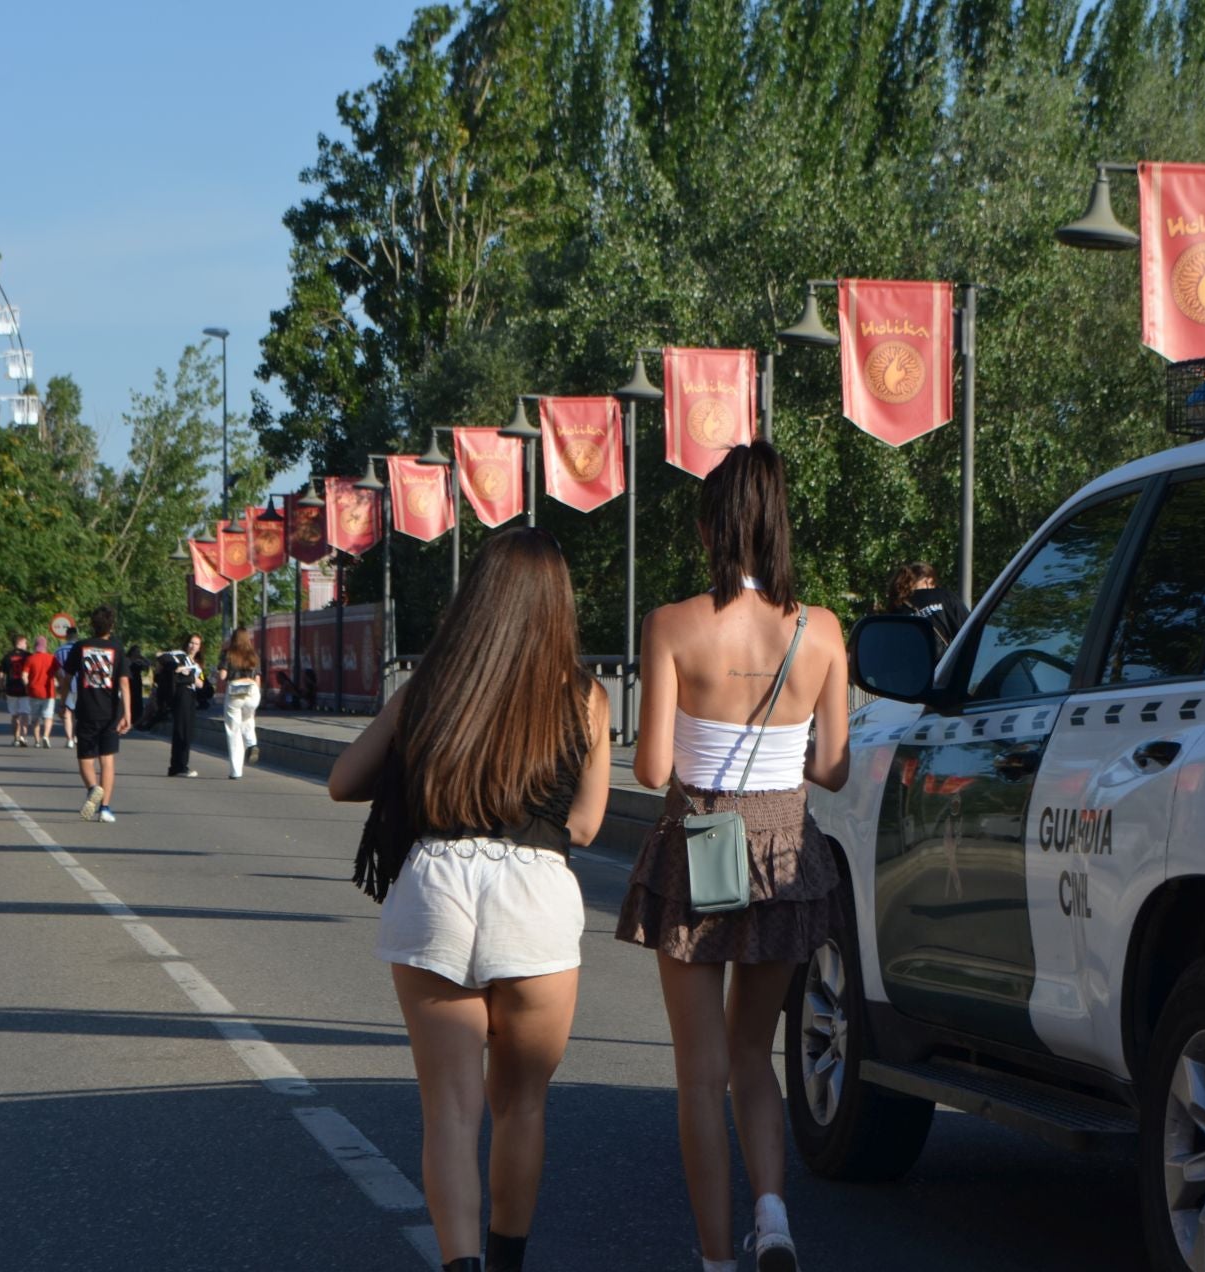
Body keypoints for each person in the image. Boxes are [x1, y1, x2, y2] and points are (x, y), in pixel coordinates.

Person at [329, 527, 611, 1272]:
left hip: (436, 887)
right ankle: (507, 1262)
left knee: (450, 1113)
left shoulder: (430, 687)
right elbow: (585, 824)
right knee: (521, 1105)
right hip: (535, 894)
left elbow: (343, 781)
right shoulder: (585, 697)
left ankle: (460, 1265)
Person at [617, 442, 849, 1272]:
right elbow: (834, 767)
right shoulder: (822, 630)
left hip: (700, 852)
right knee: (754, 1054)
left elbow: (652, 769)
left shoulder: (673, 626)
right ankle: (773, 1215)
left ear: (711, 527)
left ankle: (717, 1259)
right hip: (786, 854)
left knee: (699, 1074)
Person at [63, 606, 132, 823]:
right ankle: (105, 808)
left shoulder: (80, 647)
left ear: (92, 625)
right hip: (111, 712)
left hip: (86, 710)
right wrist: (127, 713)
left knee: (85, 758)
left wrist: (63, 702)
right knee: (107, 759)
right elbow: (124, 683)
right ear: (112, 626)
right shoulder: (117, 648)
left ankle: (93, 788)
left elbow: (67, 677)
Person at [886, 559, 970, 651]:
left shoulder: (897, 608)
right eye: (934, 585)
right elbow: (970, 630)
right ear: (928, 581)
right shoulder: (945, 596)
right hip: (944, 659)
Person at [216, 630, 262, 779]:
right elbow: (258, 679)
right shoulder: (254, 655)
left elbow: (222, 676)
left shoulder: (228, 654)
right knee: (248, 718)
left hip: (235, 690)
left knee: (233, 730)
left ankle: (236, 772)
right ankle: (251, 743)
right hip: (252, 690)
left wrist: (223, 658)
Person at [160, 634, 205, 777]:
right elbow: (161, 656)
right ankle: (178, 766)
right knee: (181, 729)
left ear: (200, 647)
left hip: (191, 696)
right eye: (191, 642)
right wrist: (178, 668)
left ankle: (180, 765)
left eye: (196, 644)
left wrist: (192, 676)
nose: (193, 646)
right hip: (181, 694)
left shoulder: (197, 664)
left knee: (187, 731)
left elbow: (201, 683)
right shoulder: (180, 656)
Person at [24, 637, 60, 748]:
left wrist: (27, 686)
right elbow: (59, 674)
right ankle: (46, 736)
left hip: (33, 692)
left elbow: (24, 676)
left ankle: (37, 741)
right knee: (48, 716)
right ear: (46, 646)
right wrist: (59, 684)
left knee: (35, 718)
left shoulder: (30, 659)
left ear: (35, 646)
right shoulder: (52, 658)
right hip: (49, 692)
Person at [4, 634, 31, 747]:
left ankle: (16, 738)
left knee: (14, 715)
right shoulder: (28, 656)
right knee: (25, 713)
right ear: (20, 642)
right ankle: (23, 736)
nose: (26, 645)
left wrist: (1, 687)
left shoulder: (7, 656)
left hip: (11, 688)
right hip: (25, 688)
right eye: (25, 642)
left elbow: (1, 673)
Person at [126, 645, 148, 731]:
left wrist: (143, 658)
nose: (138, 653)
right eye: (136, 651)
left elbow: (147, 665)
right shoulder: (127, 660)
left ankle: (137, 721)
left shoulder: (139, 662)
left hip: (137, 682)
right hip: (129, 681)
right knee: (130, 700)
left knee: (138, 700)